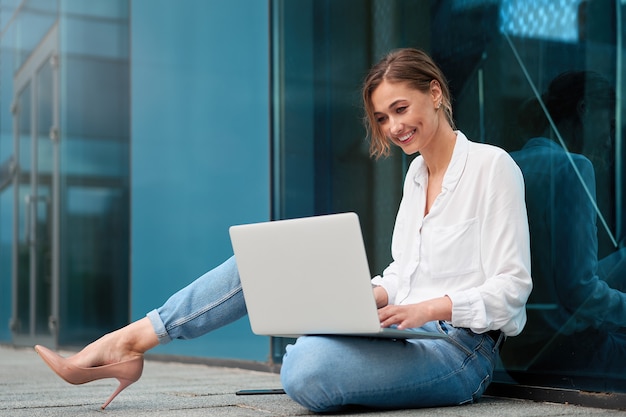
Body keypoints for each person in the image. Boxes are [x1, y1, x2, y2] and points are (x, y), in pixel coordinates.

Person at [34, 48, 532, 412]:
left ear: (436, 93)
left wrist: (431, 306)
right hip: (403, 331)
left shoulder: (493, 168)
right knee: (261, 266)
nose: (392, 127)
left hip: (460, 350)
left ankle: (123, 348)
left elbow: (512, 291)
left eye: (400, 109)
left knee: (306, 369)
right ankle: (131, 340)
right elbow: (407, 272)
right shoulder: (416, 174)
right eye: (382, 118)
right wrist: (372, 293)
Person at [503, 71, 626, 378]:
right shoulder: (573, 168)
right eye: (608, 123)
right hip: (568, 351)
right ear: (584, 110)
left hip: (513, 353)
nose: (609, 139)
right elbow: (579, 291)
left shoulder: (508, 163)